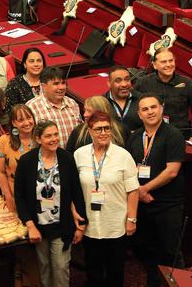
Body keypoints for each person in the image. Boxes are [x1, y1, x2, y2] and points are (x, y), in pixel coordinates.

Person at [134, 48, 192, 224]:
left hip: (181, 137)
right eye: (164, 62)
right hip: (152, 136)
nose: (169, 65)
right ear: (154, 64)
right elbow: (137, 109)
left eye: (171, 61)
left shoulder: (187, 84)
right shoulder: (143, 83)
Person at [14, 120, 86, 287]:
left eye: (56, 134)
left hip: (62, 225)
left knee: (61, 268)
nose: (54, 139)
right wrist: (30, 225)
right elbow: (20, 196)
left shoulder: (66, 158)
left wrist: (81, 224)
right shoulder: (26, 161)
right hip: (38, 226)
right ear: (38, 139)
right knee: (44, 269)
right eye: (48, 136)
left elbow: (76, 191)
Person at [126, 94, 186, 287]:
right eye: (145, 109)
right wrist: (139, 192)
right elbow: (129, 169)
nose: (150, 112)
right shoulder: (135, 137)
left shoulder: (173, 135)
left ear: (161, 108)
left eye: (153, 107)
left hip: (167, 204)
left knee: (171, 252)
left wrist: (143, 189)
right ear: (139, 114)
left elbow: (172, 172)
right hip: (143, 204)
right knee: (149, 251)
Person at [73, 111, 139, 287]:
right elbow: (73, 189)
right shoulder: (79, 155)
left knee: (115, 272)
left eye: (106, 128)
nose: (103, 133)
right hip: (90, 224)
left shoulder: (123, 156)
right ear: (89, 131)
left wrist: (131, 219)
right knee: (92, 271)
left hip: (116, 223)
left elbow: (133, 190)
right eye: (98, 129)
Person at [26, 67, 82, 149]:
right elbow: (27, 139)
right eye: (56, 84)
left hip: (73, 158)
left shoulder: (72, 103)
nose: (61, 87)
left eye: (63, 83)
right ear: (43, 86)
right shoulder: (32, 107)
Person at [0, 104, 36, 213]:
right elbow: (0, 172)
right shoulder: (2, 142)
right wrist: (8, 197)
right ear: (13, 123)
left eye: (29, 118)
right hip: (16, 198)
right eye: (21, 120)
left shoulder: (41, 139)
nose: (27, 123)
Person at [4, 47, 45, 115]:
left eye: (39, 61)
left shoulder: (48, 81)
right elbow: (10, 113)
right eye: (31, 61)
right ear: (25, 64)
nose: (36, 64)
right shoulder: (15, 84)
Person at [104, 65, 142, 132]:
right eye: (118, 81)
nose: (124, 84)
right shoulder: (102, 102)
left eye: (127, 79)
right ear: (109, 83)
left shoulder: (142, 100)